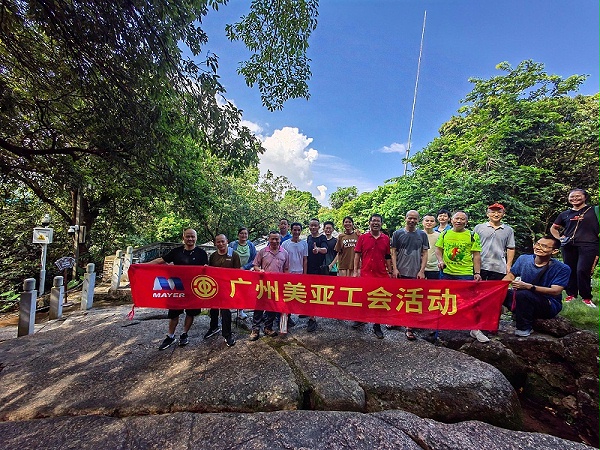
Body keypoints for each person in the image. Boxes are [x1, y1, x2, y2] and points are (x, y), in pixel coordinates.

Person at [148, 228, 208, 350]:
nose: (190, 239)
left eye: (192, 236)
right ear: (183, 238)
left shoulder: (201, 253)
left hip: (194, 290)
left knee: (191, 313)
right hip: (177, 289)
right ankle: (170, 335)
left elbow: (206, 270)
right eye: (188, 236)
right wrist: (141, 266)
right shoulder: (176, 252)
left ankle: (184, 334)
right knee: (174, 313)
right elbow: (161, 260)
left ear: (196, 238)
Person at [435, 211, 488, 343]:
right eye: (456, 218)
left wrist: (477, 273)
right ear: (451, 220)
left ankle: (475, 329)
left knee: (470, 301)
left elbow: (476, 255)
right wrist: (440, 260)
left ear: (466, 222)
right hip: (446, 272)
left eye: (462, 219)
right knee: (443, 299)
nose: (459, 221)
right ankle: (440, 326)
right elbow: (438, 249)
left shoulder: (472, 235)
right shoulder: (445, 233)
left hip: (465, 273)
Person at [502, 236, 571, 336]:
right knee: (502, 293)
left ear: (554, 251)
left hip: (548, 304)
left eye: (544, 246)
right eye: (537, 244)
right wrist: (498, 287)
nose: (538, 247)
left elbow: (556, 291)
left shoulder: (562, 268)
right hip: (523, 297)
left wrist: (529, 287)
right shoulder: (523, 259)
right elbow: (511, 275)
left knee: (523, 294)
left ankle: (524, 328)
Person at [550, 188, 600, 308]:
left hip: (590, 245)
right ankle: (571, 294)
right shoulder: (565, 214)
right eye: (572, 196)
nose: (574, 198)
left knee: (582, 270)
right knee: (569, 270)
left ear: (585, 197)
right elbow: (554, 228)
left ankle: (586, 297)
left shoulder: (594, 210)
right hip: (568, 246)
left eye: (578, 196)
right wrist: (559, 239)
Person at [391, 210, 429, 340]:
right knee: (398, 297)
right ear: (405, 218)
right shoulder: (397, 233)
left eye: (415, 219)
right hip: (400, 271)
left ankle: (409, 326)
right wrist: (394, 269)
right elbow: (393, 252)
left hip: (415, 272)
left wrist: (422, 270)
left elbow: (425, 253)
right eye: (410, 218)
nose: (412, 221)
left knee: (412, 299)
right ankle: (395, 321)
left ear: (418, 220)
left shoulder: (422, 235)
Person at [353, 213, 393, 339]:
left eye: (378, 221)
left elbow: (387, 256)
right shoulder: (363, 238)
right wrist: (355, 271)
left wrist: (390, 271)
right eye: (373, 221)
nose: (375, 223)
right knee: (363, 298)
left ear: (381, 224)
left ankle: (377, 325)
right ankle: (361, 318)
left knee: (379, 300)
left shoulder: (386, 238)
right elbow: (357, 255)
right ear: (369, 223)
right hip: (365, 273)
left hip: (381, 274)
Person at [250, 231, 289, 340]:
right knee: (259, 307)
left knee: (272, 307)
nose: (275, 241)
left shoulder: (284, 253)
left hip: (276, 285)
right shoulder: (262, 252)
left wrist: (285, 282)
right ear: (269, 239)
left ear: (280, 240)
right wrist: (260, 270)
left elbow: (286, 269)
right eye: (272, 239)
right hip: (263, 285)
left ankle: (268, 327)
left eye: (277, 239)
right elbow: (255, 265)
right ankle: (255, 329)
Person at [207, 234, 240, 347]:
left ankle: (227, 334)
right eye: (218, 242)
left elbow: (238, 272)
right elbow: (210, 272)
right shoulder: (213, 256)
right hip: (215, 288)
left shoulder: (234, 255)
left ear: (227, 241)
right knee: (213, 309)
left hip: (228, 288)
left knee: (225, 311)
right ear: (215, 243)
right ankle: (213, 327)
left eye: (222, 241)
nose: (220, 244)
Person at [473, 203, 516, 280]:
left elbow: (511, 248)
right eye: (493, 212)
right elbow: (472, 245)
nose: (496, 214)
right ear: (487, 214)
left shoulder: (508, 230)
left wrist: (508, 265)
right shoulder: (479, 227)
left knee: (494, 290)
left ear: (503, 214)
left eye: (499, 212)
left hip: (498, 267)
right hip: (480, 265)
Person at [280, 222, 307, 330]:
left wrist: (305, 275)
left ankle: (290, 317)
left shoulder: (304, 244)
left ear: (301, 231)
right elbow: (282, 260)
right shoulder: (285, 244)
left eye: (298, 230)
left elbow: (305, 260)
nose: (296, 232)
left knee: (297, 297)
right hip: (288, 274)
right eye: (294, 230)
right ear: (291, 230)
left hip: (300, 273)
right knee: (286, 298)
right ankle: (283, 323)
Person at [229, 226, 257, 323]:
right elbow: (228, 257)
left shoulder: (251, 245)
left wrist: (244, 267)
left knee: (243, 291)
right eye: (241, 233)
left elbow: (254, 259)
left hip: (246, 272)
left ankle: (241, 310)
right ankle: (230, 308)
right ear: (238, 234)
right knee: (233, 290)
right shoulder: (232, 245)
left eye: (245, 233)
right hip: (234, 272)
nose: (243, 235)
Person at [305, 218, 328, 332]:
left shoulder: (322, 238)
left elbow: (325, 250)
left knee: (316, 294)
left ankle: (313, 317)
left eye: (315, 226)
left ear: (319, 227)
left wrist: (318, 249)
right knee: (309, 293)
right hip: (309, 269)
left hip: (319, 270)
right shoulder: (308, 238)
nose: (313, 227)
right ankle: (311, 316)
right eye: (311, 226)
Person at [422, 214, 440, 279]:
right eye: (427, 221)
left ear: (435, 223)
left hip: (434, 268)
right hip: (420, 268)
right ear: (422, 222)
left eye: (432, 221)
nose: (429, 223)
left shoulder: (439, 236)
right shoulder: (418, 235)